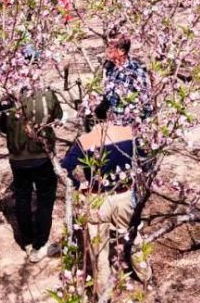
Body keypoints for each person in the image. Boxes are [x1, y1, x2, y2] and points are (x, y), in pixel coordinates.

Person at [61, 109, 152, 291]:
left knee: (98, 249)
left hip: (96, 198)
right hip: (124, 194)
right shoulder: (128, 133)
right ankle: (145, 275)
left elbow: (65, 168)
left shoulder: (85, 141)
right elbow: (145, 160)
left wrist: (79, 185)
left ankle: (103, 292)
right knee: (132, 236)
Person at [0, 86, 62, 262]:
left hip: (17, 158)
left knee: (22, 198)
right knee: (45, 200)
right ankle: (40, 245)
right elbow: (57, 116)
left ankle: (27, 241)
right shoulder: (46, 93)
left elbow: (1, 125)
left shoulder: (6, 96)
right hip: (42, 155)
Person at [94, 31, 153, 126]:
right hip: (111, 126)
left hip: (128, 128)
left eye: (111, 47)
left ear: (122, 51)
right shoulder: (109, 67)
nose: (107, 50)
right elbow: (109, 94)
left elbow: (147, 106)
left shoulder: (135, 72)